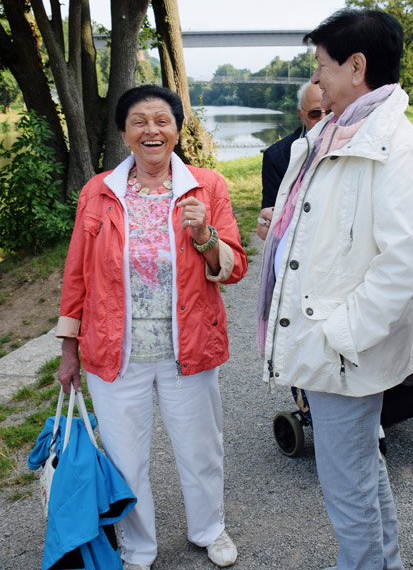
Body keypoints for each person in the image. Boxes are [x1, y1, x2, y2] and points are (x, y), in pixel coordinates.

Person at [256, 9, 413, 570]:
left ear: (356, 67)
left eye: (322, 66)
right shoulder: (336, 130)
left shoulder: (394, 147)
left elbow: (405, 261)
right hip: (330, 342)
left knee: (346, 482)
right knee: (360, 469)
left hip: (340, 348)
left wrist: (340, 335)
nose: (316, 79)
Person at [56, 85, 248, 570]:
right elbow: (76, 273)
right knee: (126, 458)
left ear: (177, 130)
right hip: (114, 350)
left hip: (189, 346)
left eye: (162, 120)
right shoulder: (98, 192)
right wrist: (68, 350)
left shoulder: (207, 186)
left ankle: (209, 529)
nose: (151, 131)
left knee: (200, 450)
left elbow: (235, 267)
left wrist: (205, 236)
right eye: (139, 121)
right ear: (124, 133)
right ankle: (138, 547)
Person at [257, 81, 327, 227]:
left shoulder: (352, 148)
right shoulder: (275, 157)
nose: (324, 119)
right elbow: (270, 213)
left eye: (330, 112)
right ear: (302, 116)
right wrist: (266, 222)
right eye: (315, 113)